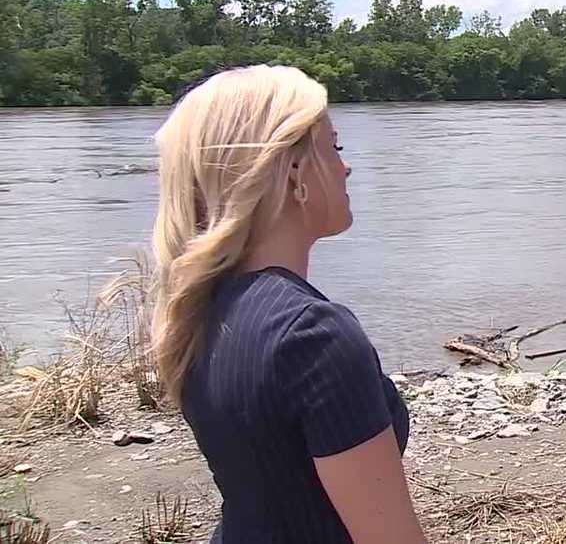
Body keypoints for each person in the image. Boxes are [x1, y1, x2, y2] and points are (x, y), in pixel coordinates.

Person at [147, 65, 426, 543]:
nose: (346, 166)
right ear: (294, 170)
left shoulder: (202, 310)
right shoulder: (313, 336)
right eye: (333, 148)